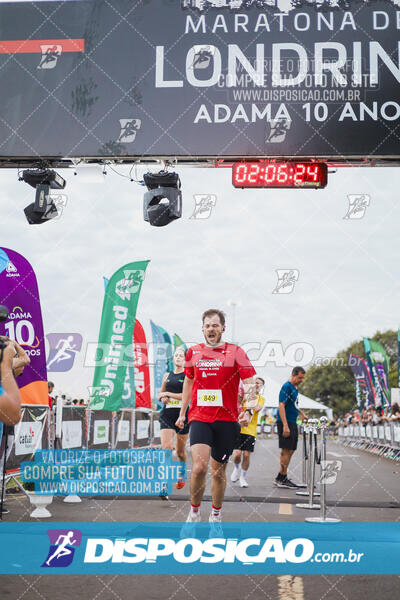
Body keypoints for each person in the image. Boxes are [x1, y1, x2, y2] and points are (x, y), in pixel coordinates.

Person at [176, 309, 256, 527]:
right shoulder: (193, 352)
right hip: (200, 416)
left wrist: (248, 409)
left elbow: (249, 380)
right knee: (200, 467)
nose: (211, 329)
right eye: (207, 325)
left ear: (223, 328)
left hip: (227, 420)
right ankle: (193, 513)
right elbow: (188, 382)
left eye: (215, 325)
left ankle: (216, 516)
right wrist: (182, 413)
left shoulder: (236, 352)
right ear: (202, 328)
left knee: (218, 471)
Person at [158, 347, 189, 494]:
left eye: (181, 356)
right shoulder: (166, 375)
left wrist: (168, 393)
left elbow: (186, 396)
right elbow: (160, 394)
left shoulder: (188, 375)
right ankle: (164, 483)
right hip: (167, 415)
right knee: (166, 449)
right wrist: (163, 397)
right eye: (176, 355)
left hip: (182, 415)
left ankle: (181, 473)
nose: (178, 357)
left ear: (185, 359)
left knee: (181, 452)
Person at [274, 366, 308, 489]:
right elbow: (281, 406)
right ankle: (282, 478)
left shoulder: (295, 388)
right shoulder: (286, 387)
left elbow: (294, 404)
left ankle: (281, 477)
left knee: (291, 450)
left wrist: (302, 413)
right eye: (299, 377)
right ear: (293, 375)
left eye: (303, 378)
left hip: (293, 421)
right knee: (285, 450)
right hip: (285, 422)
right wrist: (285, 426)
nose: (301, 380)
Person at [231, 376, 265, 488]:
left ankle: (242, 477)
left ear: (262, 387)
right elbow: (236, 402)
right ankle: (236, 468)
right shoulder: (244, 395)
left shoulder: (260, 398)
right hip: (238, 428)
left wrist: (250, 400)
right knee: (236, 454)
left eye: (259, 384)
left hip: (250, 431)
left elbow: (257, 408)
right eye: (255, 382)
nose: (256, 385)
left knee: (246, 455)